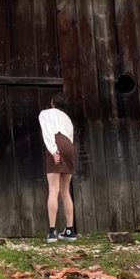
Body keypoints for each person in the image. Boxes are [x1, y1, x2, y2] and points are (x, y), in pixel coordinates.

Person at [39, 92, 77, 242]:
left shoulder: (45, 113)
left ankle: (52, 232)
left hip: (56, 143)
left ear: (52, 102)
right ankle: (69, 231)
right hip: (69, 147)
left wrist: (54, 150)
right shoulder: (67, 118)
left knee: (53, 190)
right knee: (65, 191)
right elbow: (70, 137)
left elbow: (48, 133)